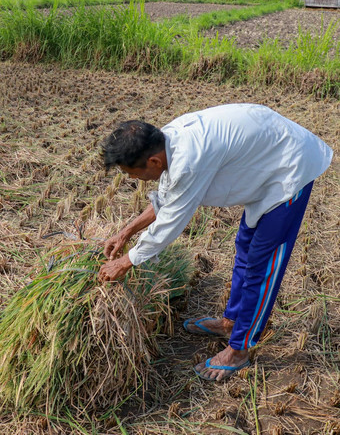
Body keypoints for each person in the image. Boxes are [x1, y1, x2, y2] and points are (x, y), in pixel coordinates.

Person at [99, 104, 333, 382]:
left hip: (289, 169)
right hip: (264, 164)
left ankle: (240, 349)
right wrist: (126, 232)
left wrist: (126, 261)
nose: (131, 179)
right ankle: (230, 323)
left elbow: (170, 222)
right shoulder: (167, 142)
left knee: (263, 267)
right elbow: (167, 199)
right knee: (245, 249)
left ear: (153, 162)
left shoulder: (188, 159)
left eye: (131, 173)